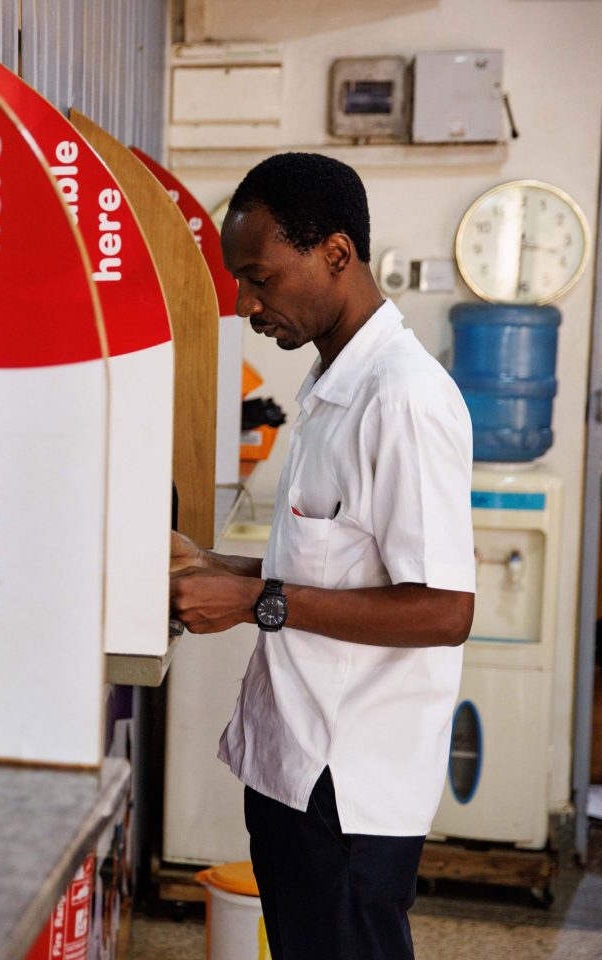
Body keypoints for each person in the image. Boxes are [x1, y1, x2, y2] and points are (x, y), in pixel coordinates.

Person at [169, 152, 476, 960]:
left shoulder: (402, 399)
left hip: (351, 793)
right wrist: (212, 565)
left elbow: (444, 610)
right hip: (294, 770)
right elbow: (332, 568)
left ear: (336, 253)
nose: (246, 303)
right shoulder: (332, 384)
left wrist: (251, 602)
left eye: (260, 278)